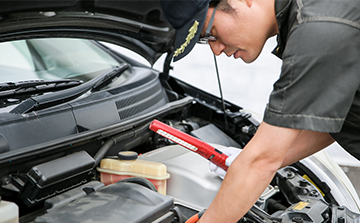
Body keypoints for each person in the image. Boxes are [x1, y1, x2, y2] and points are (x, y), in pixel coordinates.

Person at [161, 0, 360, 222]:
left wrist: (253, 162)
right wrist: (251, 158)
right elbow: (333, 117)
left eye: (211, 33)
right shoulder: (316, 13)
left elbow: (261, 161)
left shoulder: (318, 29)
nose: (216, 50)